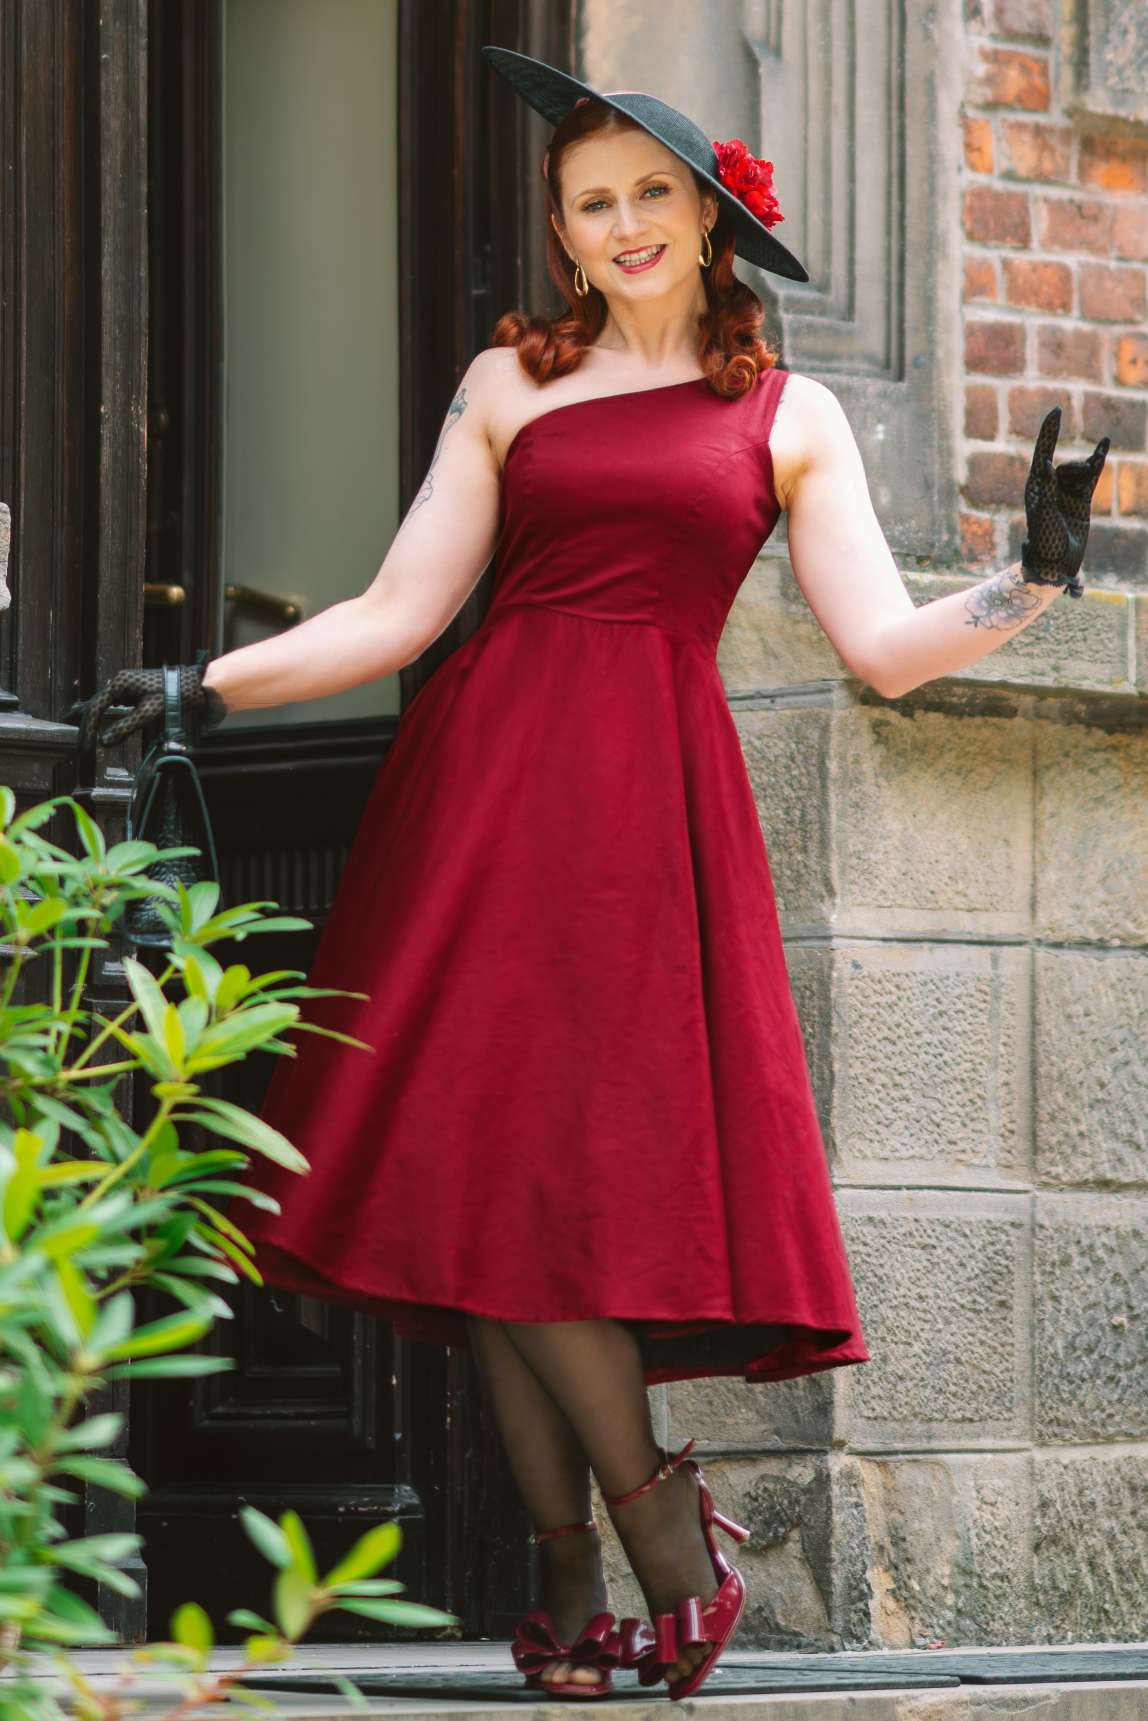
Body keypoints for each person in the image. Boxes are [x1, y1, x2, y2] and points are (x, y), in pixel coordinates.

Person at [70, 46, 1109, 1703]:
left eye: (650, 197)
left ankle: (631, 1537)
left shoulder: (788, 411)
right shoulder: (507, 383)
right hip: (481, 804)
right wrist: (206, 685)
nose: (623, 225)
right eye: (590, 203)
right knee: (480, 1174)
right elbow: (397, 614)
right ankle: (591, 1553)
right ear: (562, 234)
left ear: (706, 221)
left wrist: (1031, 580)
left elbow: (885, 651)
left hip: (646, 826)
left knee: (556, 1191)